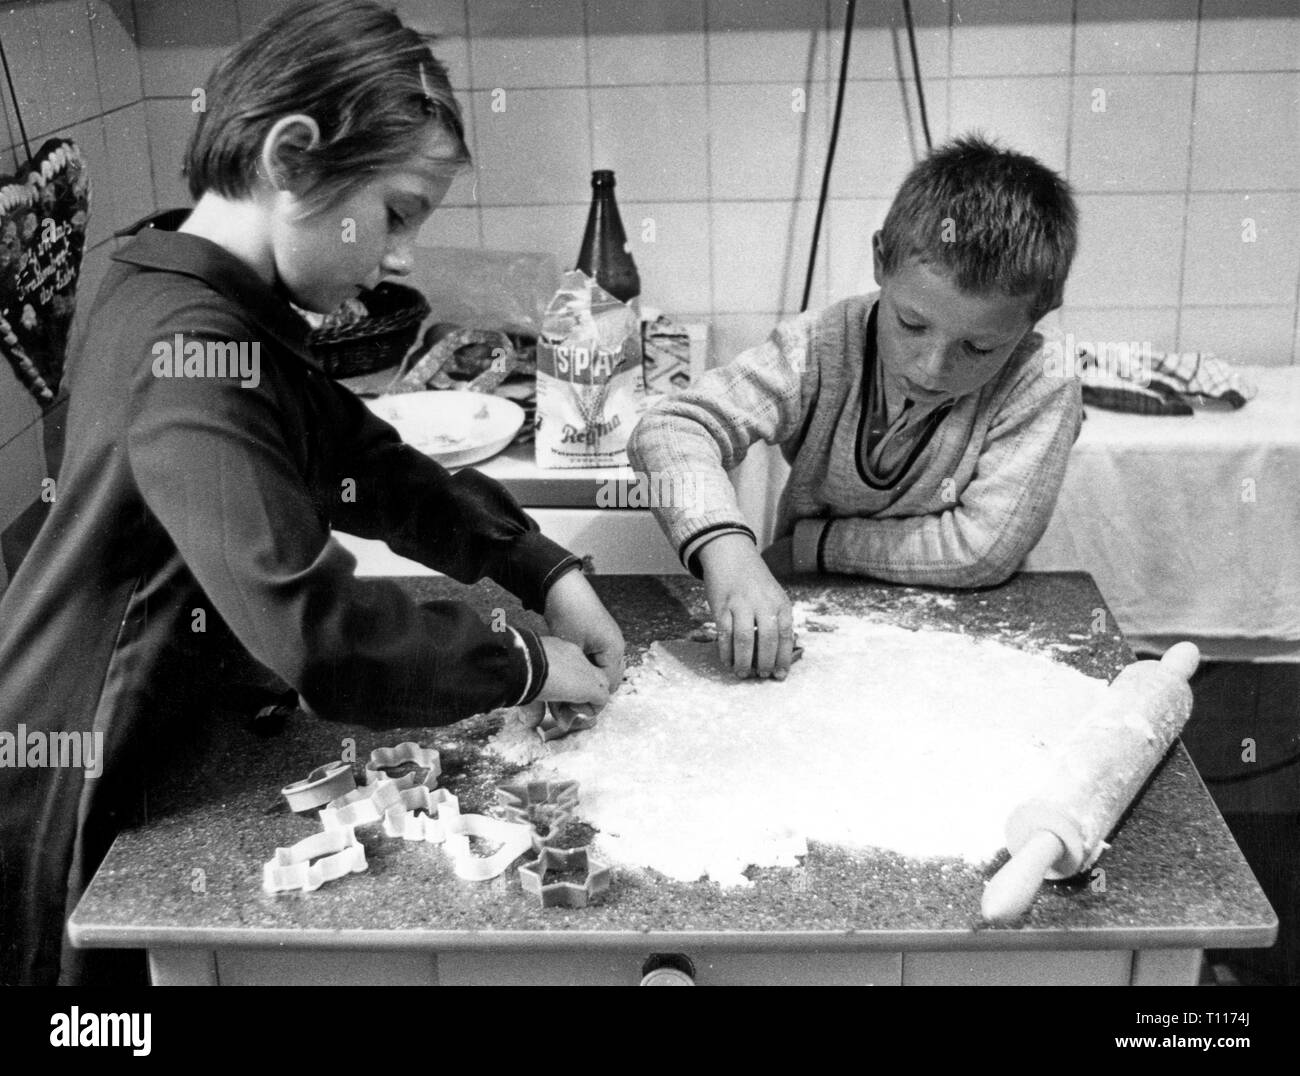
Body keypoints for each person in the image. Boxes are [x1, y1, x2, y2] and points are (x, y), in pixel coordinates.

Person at [0, 0, 623, 986]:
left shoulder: (185, 284)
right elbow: (317, 632)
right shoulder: (188, 350)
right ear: (292, 159)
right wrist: (518, 659)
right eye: (395, 212)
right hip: (76, 787)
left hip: (158, 729)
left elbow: (361, 459)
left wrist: (537, 566)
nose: (403, 256)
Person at [629, 134, 1080, 682]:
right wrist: (726, 550)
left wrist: (810, 547)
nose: (931, 368)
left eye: (979, 347)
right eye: (911, 323)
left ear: (1039, 314)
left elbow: (981, 549)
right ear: (881, 261)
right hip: (810, 623)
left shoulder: (1044, 380)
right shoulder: (821, 347)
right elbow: (673, 428)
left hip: (972, 638)